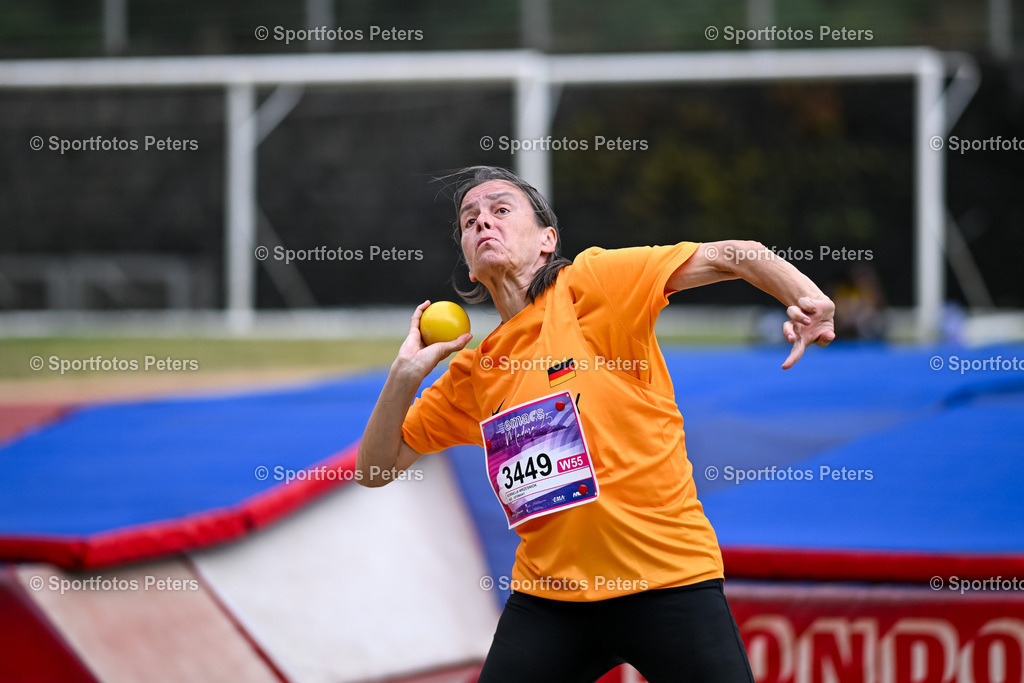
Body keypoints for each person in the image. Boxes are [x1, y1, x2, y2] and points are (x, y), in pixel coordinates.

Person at [357, 166, 835, 682]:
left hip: (666, 580)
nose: (482, 224)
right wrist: (404, 376)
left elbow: (732, 253)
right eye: (469, 221)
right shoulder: (476, 374)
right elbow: (375, 469)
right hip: (550, 599)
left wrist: (806, 298)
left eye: (500, 210)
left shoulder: (593, 286)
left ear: (547, 239)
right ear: (471, 266)